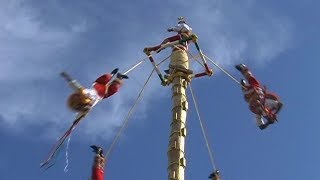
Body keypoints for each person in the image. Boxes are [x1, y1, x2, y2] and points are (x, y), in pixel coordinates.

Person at [235, 64, 283, 129]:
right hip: (256, 92)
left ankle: (244, 85)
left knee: (251, 88)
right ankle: (243, 70)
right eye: (270, 117)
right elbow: (280, 104)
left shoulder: (260, 114)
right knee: (251, 80)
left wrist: (268, 123)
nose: (268, 117)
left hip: (251, 95)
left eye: (268, 118)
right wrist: (275, 113)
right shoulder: (270, 105)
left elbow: (261, 127)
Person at [62, 68, 129, 113]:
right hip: (104, 94)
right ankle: (120, 77)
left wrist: (68, 78)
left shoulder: (83, 94)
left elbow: (76, 86)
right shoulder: (89, 105)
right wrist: (75, 122)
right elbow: (81, 114)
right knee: (115, 88)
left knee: (106, 77)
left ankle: (111, 75)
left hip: (98, 86)